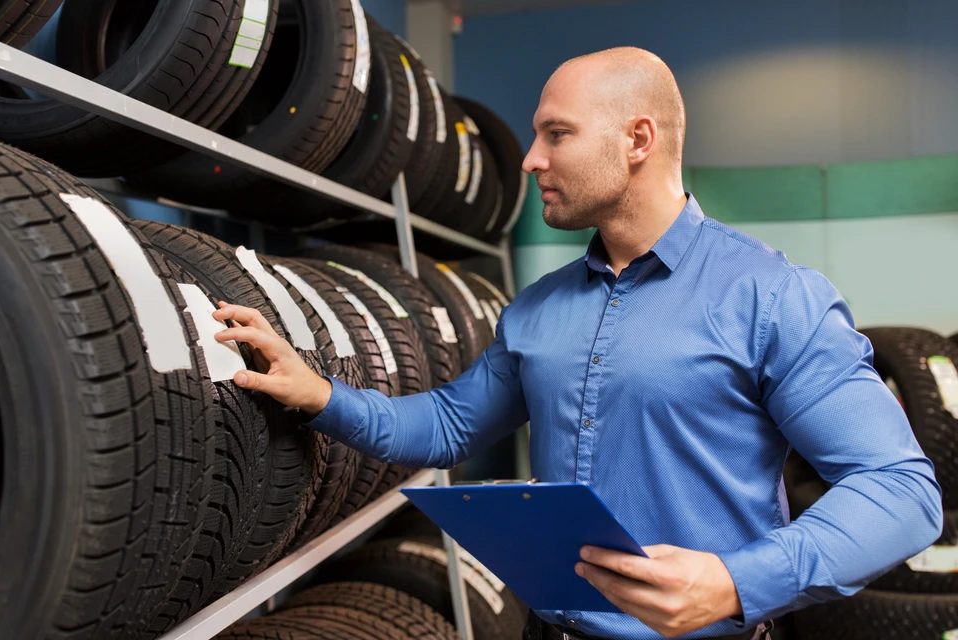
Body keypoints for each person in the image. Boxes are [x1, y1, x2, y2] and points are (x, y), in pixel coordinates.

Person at [212, 47, 943, 640]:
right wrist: (320, 395)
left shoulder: (772, 296)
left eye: (555, 134)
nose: (530, 159)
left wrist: (733, 583)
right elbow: (446, 425)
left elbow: (901, 492)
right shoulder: (537, 311)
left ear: (637, 140)